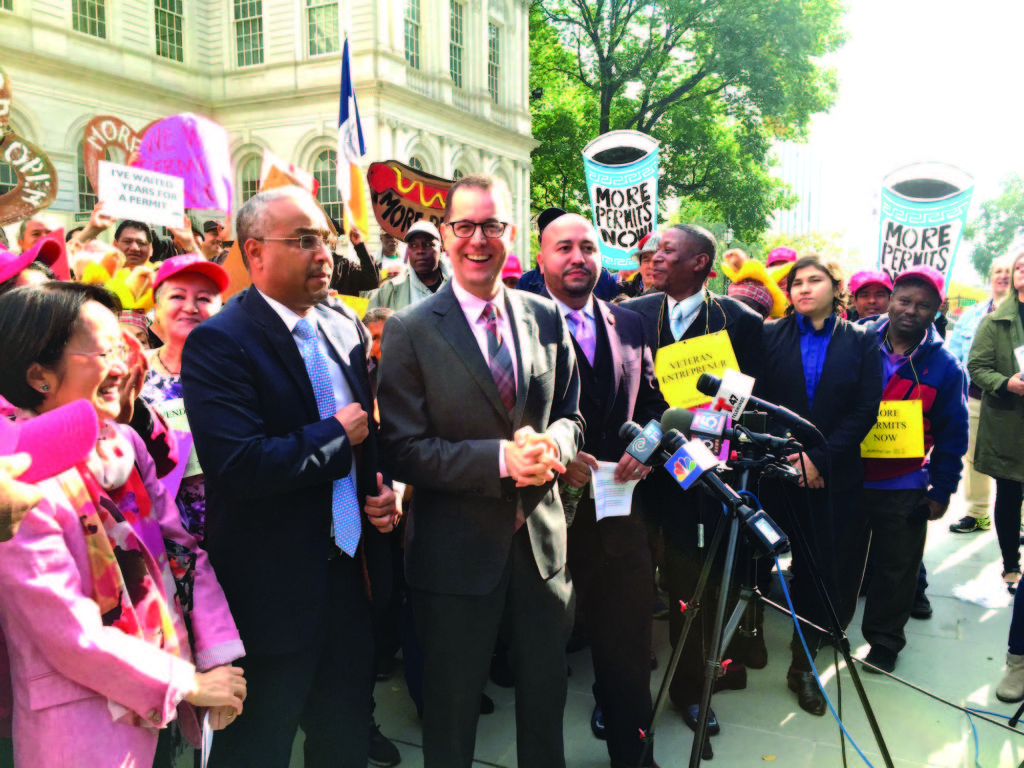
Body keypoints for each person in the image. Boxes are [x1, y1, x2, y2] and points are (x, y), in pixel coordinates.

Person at [181, 186, 397, 768]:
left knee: (344, 736)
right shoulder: (219, 343)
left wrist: (382, 492)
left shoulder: (345, 327)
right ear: (254, 252)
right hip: (269, 593)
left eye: (323, 238)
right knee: (257, 748)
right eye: (303, 241)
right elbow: (240, 464)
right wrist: (334, 436)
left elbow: (369, 440)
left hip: (348, 577)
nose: (323, 252)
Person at [377, 174, 583, 768]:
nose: (478, 239)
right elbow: (403, 449)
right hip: (453, 554)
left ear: (508, 234)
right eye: (464, 226)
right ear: (445, 235)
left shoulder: (546, 317)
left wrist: (556, 444)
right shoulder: (412, 330)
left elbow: (572, 414)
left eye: (491, 226)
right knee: (451, 711)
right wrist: (499, 459)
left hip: (542, 550)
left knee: (546, 703)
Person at [0, 282, 246, 767]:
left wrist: (217, 654)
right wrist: (189, 684)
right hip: (83, 725)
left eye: (122, 347)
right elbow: (69, 635)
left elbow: (180, 551)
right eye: (102, 351)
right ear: (39, 375)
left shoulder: (123, 445)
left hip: (167, 694)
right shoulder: (16, 477)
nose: (122, 366)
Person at [622, 225, 763, 742]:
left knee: (691, 590)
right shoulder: (631, 313)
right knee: (630, 590)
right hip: (637, 474)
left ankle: (691, 692)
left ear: (702, 263)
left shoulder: (741, 321)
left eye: (668, 251)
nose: (655, 258)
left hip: (699, 479)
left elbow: (746, 406)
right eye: (655, 251)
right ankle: (621, 698)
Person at [538, 212, 666, 768]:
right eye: (563, 247)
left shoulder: (632, 324)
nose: (577, 257)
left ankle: (633, 758)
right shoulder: (514, 326)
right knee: (539, 663)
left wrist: (650, 444)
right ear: (541, 257)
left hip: (618, 522)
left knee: (628, 655)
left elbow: (657, 406)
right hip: (538, 529)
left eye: (588, 247)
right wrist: (555, 458)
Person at [757, 255, 881, 715]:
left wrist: (820, 458)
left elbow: (866, 408)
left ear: (836, 287)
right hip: (778, 469)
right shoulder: (769, 335)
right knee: (758, 562)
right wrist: (793, 456)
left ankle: (803, 667)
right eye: (796, 282)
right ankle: (747, 643)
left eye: (815, 280)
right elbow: (760, 401)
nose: (804, 288)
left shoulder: (862, 341)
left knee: (820, 569)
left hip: (836, 472)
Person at [837, 266, 967, 674]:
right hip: (848, 476)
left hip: (904, 483)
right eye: (905, 300)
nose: (911, 310)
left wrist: (941, 491)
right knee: (841, 560)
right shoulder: (854, 343)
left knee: (897, 569)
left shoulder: (946, 366)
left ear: (937, 310)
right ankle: (827, 627)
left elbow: (953, 434)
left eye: (923, 305)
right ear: (891, 300)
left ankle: (885, 642)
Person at [140, 254, 230, 545]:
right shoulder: (128, 371)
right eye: (178, 296)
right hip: (152, 530)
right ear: (156, 306)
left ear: (221, 308)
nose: (190, 308)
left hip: (230, 531)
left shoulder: (239, 371)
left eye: (204, 298)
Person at [968, 249, 1024, 594]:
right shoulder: (994, 320)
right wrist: (1006, 383)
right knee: (1010, 493)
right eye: (1020, 266)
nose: (1021, 271)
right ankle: (1010, 565)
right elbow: (977, 367)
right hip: (1009, 424)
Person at [947, 254, 1013, 533]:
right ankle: (978, 512)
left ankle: (1019, 520)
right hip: (976, 398)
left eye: (1009, 271)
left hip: (1016, 400)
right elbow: (955, 357)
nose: (1003, 275)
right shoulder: (972, 314)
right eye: (997, 270)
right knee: (974, 457)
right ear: (990, 277)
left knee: (1018, 458)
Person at [368, 221, 449, 310]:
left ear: (441, 248)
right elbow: (371, 320)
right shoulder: (390, 290)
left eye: (427, 244)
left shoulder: (458, 285)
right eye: (413, 245)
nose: (420, 251)